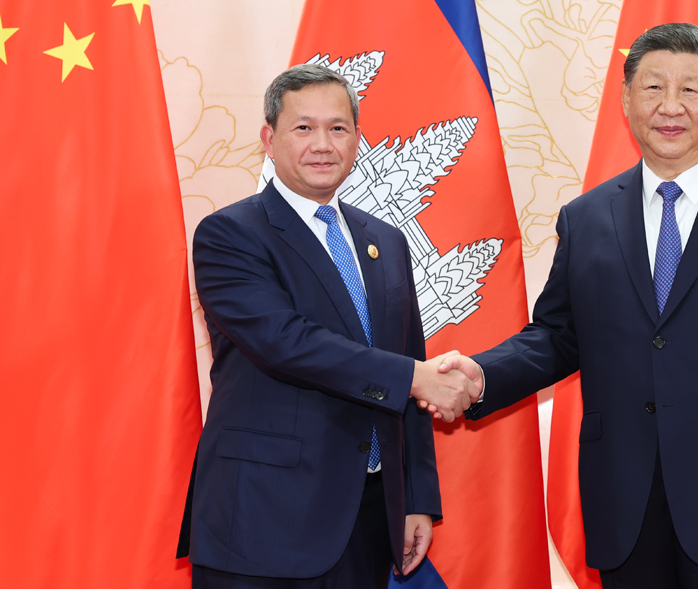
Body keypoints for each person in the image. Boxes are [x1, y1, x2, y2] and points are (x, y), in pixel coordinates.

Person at [436, 23, 698, 589]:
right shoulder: (585, 219)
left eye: (691, 89)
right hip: (627, 502)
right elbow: (558, 337)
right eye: (653, 88)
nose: (671, 106)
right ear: (627, 100)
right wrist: (481, 375)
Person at [179, 64, 478, 588]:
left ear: (357, 139)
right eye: (303, 128)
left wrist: (416, 500)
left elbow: (409, 356)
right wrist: (417, 377)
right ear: (269, 139)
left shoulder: (385, 240)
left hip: (364, 519)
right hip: (262, 519)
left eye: (338, 128)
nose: (323, 144)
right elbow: (286, 343)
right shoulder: (230, 233)